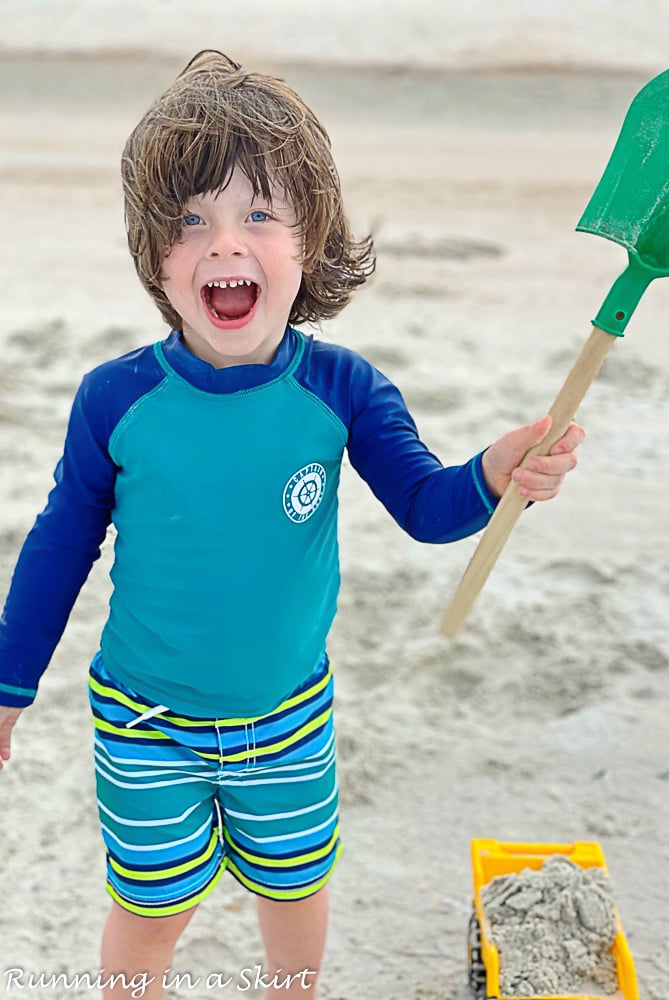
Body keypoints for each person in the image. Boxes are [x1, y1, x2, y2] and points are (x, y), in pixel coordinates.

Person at [0, 51, 585, 999]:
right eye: (191, 222)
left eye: (258, 214)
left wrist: (493, 471)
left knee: (296, 893)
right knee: (147, 912)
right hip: (146, 724)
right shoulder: (117, 400)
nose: (225, 244)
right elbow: (62, 544)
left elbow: (427, 507)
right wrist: (9, 680)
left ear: (307, 243)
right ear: (157, 258)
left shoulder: (342, 388)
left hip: (288, 720)